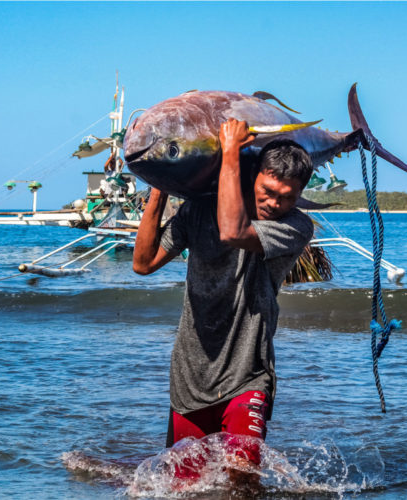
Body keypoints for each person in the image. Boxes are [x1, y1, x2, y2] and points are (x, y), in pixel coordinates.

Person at [133, 118, 314, 474]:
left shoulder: (294, 226)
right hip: (189, 377)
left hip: (248, 373)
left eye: (286, 197)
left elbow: (233, 231)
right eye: (268, 191)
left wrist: (230, 149)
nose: (275, 203)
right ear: (254, 178)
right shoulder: (198, 212)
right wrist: (160, 184)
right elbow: (142, 263)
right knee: (185, 487)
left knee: (241, 480)